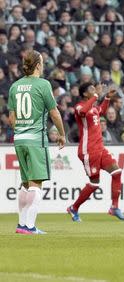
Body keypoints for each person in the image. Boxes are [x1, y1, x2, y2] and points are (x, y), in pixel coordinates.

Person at [8, 50, 66, 234]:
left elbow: (11, 117)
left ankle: (21, 224)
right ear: (38, 64)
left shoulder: (15, 86)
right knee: (36, 184)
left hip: (19, 139)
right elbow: (54, 113)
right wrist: (62, 134)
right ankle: (30, 226)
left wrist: (21, 131)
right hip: (36, 139)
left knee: (25, 183)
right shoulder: (43, 84)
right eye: (42, 60)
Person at [66, 82, 124, 222]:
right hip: (88, 150)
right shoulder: (80, 107)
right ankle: (73, 208)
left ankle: (114, 207)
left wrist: (106, 98)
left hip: (100, 148)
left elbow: (101, 111)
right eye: (92, 89)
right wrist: (96, 96)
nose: (95, 90)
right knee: (94, 183)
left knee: (117, 172)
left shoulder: (93, 108)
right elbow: (82, 112)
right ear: (84, 94)